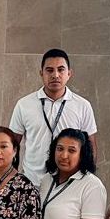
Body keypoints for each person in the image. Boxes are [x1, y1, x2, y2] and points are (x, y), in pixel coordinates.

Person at [8, 48, 99, 186]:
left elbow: (90, 145)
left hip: (68, 183)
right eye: (49, 70)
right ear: (41, 73)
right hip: (32, 182)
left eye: (61, 70)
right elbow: (12, 145)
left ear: (69, 73)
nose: (55, 75)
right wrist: (12, 179)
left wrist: (86, 180)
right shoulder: (24, 104)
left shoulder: (82, 105)